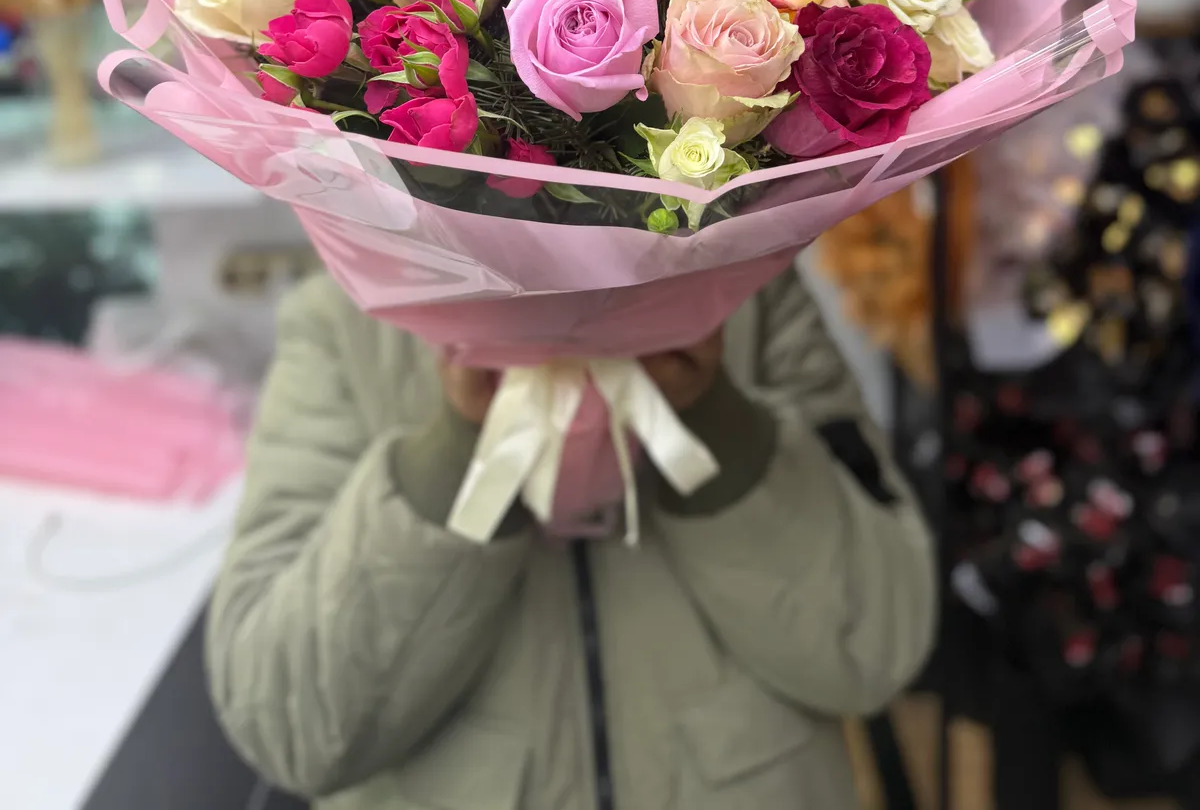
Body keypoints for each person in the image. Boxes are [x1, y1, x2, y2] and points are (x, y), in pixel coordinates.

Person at [207, 263, 936, 809]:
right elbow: (290, 721)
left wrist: (709, 414)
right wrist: (458, 454)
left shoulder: (749, 287)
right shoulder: (342, 320)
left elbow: (877, 645)